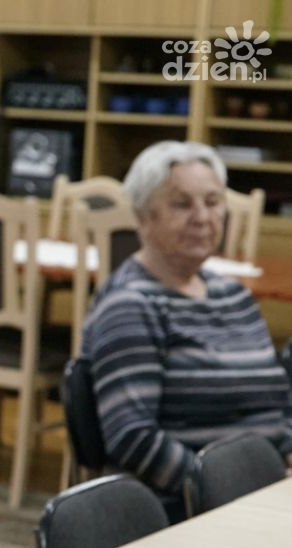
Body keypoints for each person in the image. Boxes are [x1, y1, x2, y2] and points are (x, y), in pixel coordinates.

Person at [82, 140, 292, 518]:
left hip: (261, 497)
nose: (202, 217)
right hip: (189, 510)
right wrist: (225, 489)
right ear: (144, 216)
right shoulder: (130, 304)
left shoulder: (234, 295)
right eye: (182, 204)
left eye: (213, 202)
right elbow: (132, 438)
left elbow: (278, 403)